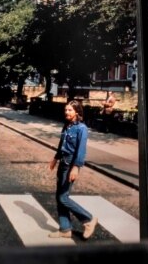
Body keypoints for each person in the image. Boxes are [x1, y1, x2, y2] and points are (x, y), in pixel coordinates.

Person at [48, 100, 98, 239]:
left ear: (77, 112)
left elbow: (81, 150)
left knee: (63, 198)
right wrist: (55, 158)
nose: (66, 112)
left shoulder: (81, 128)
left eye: (69, 110)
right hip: (63, 162)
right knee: (59, 197)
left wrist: (76, 167)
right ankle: (65, 229)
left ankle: (88, 220)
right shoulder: (67, 125)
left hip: (71, 164)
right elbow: (61, 144)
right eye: (66, 110)